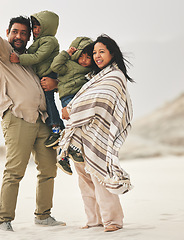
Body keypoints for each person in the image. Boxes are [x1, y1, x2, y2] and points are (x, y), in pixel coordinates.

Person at [0, 16, 65, 232]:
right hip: (17, 118)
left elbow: (49, 82)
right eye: (15, 32)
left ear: (29, 37)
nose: (19, 36)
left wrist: (56, 84)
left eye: (24, 33)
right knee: (15, 171)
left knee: (49, 168)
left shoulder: (32, 58)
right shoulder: (4, 53)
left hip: (42, 119)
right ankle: (4, 220)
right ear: (8, 32)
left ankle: (43, 215)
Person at [57, 34, 134, 232]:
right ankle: (93, 220)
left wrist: (71, 110)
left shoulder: (115, 76)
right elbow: (86, 96)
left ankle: (113, 221)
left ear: (112, 53)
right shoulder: (94, 77)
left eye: (102, 52)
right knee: (85, 181)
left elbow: (101, 101)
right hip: (82, 133)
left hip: (98, 133)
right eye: (94, 53)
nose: (97, 56)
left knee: (100, 177)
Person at [10, 10, 64, 149]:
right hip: (43, 75)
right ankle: (61, 129)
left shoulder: (50, 41)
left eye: (39, 26)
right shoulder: (39, 41)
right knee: (47, 101)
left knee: (49, 101)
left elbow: (37, 57)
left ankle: (57, 129)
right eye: (34, 27)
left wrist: (19, 59)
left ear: (48, 27)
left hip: (49, 75)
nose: (36, 30)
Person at [50, 37, 93, 175]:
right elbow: (55, 66)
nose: (84, 60)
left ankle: (70, 152)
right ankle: (64, 154)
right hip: (68, 97)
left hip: (80, 98)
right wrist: (66, 54)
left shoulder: (90, 69)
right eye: (81, 56)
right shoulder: (68, 64)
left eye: (88, 57)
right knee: (73, 124)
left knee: (78, 126)